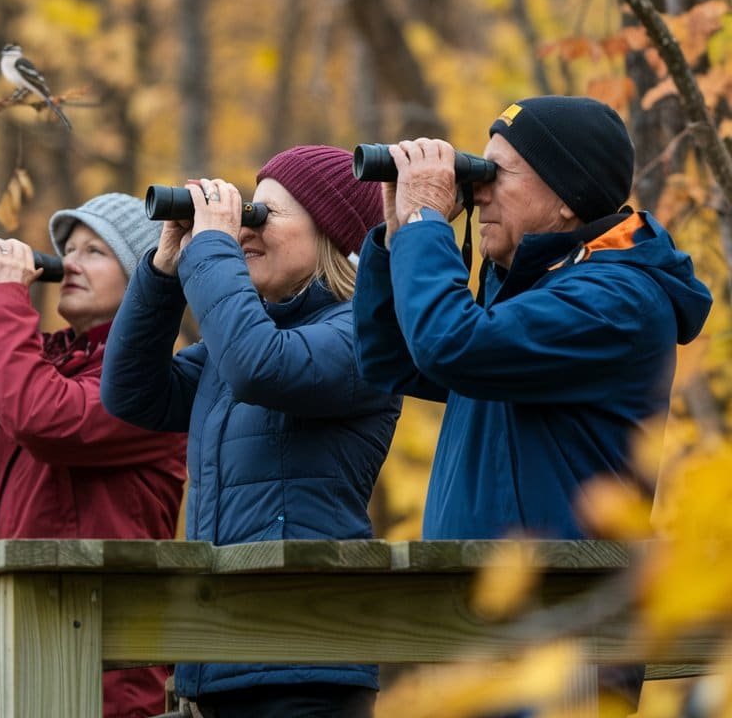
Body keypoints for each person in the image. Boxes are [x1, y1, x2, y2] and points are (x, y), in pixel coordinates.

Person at [353, 96, 713, 713]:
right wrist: (397, 236)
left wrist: (427, 226)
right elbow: (392, 360)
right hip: (480, 633)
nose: (480, 191)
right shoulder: (537, 297)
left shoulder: (617, 301)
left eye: (498, 173)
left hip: (562, 648)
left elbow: (448, 344)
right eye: (477, 171)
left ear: (567, 196)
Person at [100, 145, 401, 718]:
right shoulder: (237, 346)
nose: (245, 229)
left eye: (267, 215)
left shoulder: (364, 336)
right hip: (217, 652)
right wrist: (164, 271)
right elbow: (131, 393)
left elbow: (263, 366)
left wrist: (212, 248)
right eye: (245, 213)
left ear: (332, 234)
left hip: (305, 659)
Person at [0, 194, 189, 718]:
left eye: (95, 251)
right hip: (8, 664)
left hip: (94, 681)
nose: (69, 262)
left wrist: (2, 302)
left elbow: (42, 418)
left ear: (146, 279)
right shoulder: (52, 373)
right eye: (67, 248)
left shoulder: (151, 389)